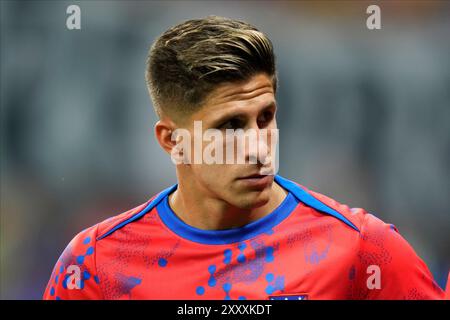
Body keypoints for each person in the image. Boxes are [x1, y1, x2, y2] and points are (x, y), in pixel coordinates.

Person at [43, 16, 444, 300]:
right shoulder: (97, 265)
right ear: (172, 141)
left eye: (265, 117)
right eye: (230, 126)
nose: (258, 148)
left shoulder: (360, 249)